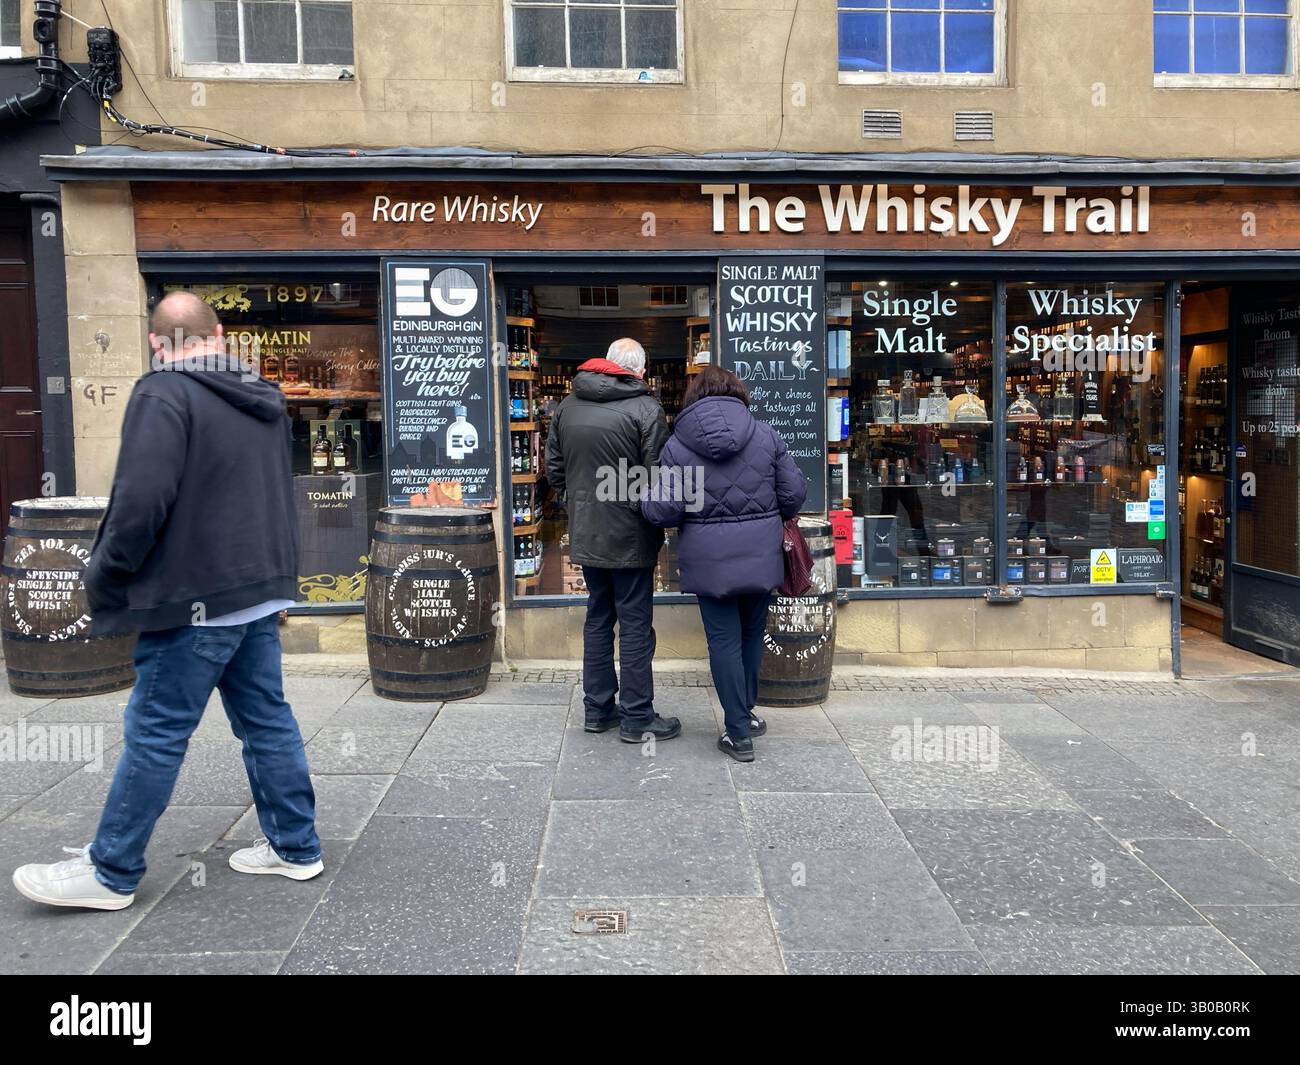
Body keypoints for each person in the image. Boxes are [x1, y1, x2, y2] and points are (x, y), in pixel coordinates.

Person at [11, 292, 321, 911]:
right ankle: (295, 847)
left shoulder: (163, 392)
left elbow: (138, 504)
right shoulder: (260, 396)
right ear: (222, 332)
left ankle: (110, 872)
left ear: (157, 343)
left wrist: (103, 576)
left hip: (192, 596)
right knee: (266, 722)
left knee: (155, 731)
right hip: (252, 591)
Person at [642, 366, 806, 763]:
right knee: (751, 635)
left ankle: (738, 731)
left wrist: (646, 496)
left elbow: (665, 510)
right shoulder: (764, 434)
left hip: (709, 561)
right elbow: (795, 493)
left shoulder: (678, 445)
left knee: (724, 641)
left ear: (694, 397)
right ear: (738, 393)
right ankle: (744, 717)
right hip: (761, 555)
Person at [545, 337, 679, 742]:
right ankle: (637, 717)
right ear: (638, 370)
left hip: (588, 530)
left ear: (607, 364)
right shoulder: (645, 408)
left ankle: (598, 710)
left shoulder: (568, 405)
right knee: (636, 625)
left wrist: (580, 503)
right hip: (632, 534)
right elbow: (660, 476)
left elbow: (554, 470)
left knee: (598, 618)